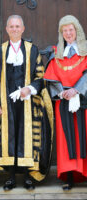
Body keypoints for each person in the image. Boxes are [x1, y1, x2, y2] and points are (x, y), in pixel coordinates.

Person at [0, 15, 53, 191]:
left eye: (17, 26)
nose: (15, 29)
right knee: (9, 139)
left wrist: (29, 89)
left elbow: (41, 77)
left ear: (23, 29)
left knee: (27, 140)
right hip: (6, 104)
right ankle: (10, 178)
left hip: (28, 104)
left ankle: (28, 177)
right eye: (11, 26)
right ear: (7, 29)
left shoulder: (33, 50)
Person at [44, 15, 87, 190]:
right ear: (61, 33)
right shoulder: (56, 53)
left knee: (83, 137)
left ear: (77, 31)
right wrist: (63, 92)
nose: (68, 33)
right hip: (63, 101)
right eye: (65, 31)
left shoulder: (86, 51)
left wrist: (77, 89)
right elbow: (51, 77)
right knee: (66, 140)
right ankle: (69, 176)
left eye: (71, 30)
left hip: (83, 100)